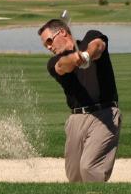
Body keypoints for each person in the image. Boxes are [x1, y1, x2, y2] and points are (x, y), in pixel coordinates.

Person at [38, 18, 122, 182]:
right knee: (75, 175)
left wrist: (86, 55)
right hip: (76, 120)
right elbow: (63, 65)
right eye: (45, 45)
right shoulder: (53, 62)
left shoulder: (91, 37)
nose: (49, 47)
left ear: (62, 32)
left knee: (89, 167)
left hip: (105, 115)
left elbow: (97, 46)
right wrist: (76, 59)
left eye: (49, 40)